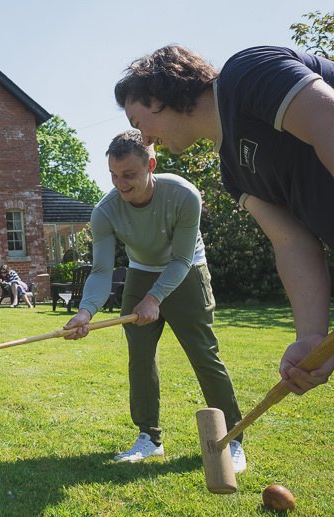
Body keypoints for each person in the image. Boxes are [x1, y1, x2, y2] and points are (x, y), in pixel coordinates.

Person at [114, 45, 334, 396]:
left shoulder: (246, 74)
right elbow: (291, 242)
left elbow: (327, 120)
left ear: (156, 97)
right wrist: (310, 336)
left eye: (138, 123)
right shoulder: (233, 173)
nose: (145, 139)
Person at [62, 131, 245, 471]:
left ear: (151, 165)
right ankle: (149, 437)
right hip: (141, 272)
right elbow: (101, 270)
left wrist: (154, 298)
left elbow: (180, 259)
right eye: (114, 175)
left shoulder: (184, 195)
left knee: (204, 355)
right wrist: (86, 311)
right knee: (140, 357)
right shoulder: (105, 211)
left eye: (129, 175)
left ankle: (232, 438)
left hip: (187, 271)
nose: (120, 184)